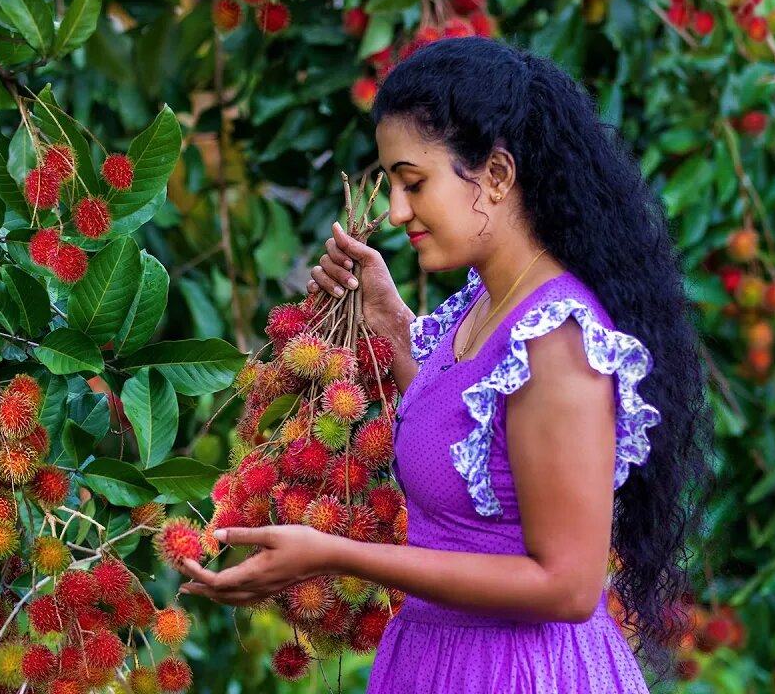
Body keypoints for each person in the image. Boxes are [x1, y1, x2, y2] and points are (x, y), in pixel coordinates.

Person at [175, 37, 712, 692]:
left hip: (521, 674)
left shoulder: (556, 342)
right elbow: (468, 459)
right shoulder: (485, 306)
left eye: (414, 182)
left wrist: (341, 555)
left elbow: (568, 586)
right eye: (392, 185)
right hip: (440, 661)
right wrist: (395, 332)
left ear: (497, 176)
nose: (398, 212)